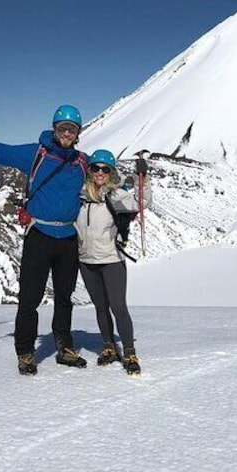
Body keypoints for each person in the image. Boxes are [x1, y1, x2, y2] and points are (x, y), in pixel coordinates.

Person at [0, 84, 89, 375]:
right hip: (40, 237)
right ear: (54, 129)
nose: (67, 133)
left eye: (72, 129)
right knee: (30, 298)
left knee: (64, 298)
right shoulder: (35, 155)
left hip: (68, 238)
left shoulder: (81, 163)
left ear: (78, 133)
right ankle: (26, 352)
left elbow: (103, 188)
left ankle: (64, 347)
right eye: (63, 128)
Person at [75, 150, 150, 375]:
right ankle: (108, 346)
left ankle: (129, 351)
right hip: (86, 259)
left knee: (118, 306)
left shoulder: (117, 196)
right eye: (95, 168)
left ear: (111, 172)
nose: (100, 173)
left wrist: (143, 180)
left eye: (105, 169)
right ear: (89, 170)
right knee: (100, 306)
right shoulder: (79, 195)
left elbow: (142, 202)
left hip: (111, 259)